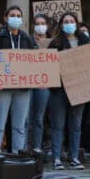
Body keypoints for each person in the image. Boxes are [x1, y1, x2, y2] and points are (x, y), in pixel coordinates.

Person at [0, 6, 36, 154]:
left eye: (18, 15)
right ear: (5, 18)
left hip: (22, 88)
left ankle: (18, 154)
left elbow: (34, 62)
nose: (16, 18)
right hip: (1, 88)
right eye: (12, 15)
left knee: (20, 125)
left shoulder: (27, 38)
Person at [48, 12, 90, 170]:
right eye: (66, 21)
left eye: (71, 21)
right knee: (57, 124)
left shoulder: (85, 41)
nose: (69, 23)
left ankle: (73, 157)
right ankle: (57, 158)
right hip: (59, 89)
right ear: (61, 24)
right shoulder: (55, 42)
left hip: (79, 88)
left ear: (77, 23)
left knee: (76, 124)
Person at [28, 13, 51, 152]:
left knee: (38, 118)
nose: (40, 26)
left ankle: (36, 148)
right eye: (38, 24)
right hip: (28, 82)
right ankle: (25, 148)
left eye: (43, 24)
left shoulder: (52, 43)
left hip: (44, 84)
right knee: (27, 118)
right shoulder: (27, 40)